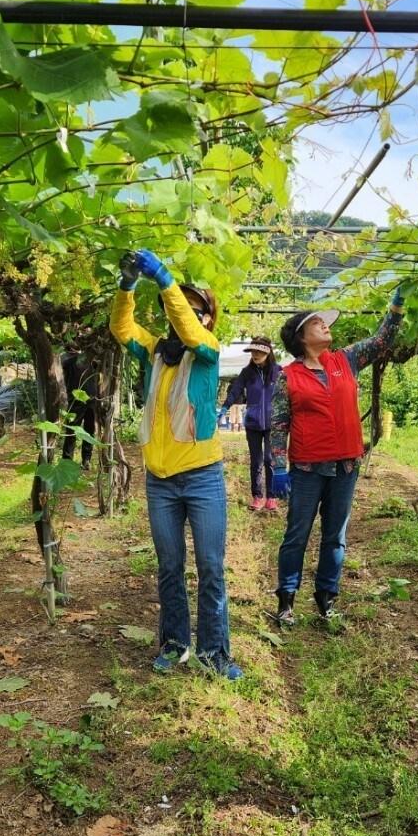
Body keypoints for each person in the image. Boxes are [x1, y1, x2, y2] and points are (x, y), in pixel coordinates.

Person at [112, 249, 242, 681]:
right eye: (178, 303)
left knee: (210, 567)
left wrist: (166, 280)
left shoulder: (207, 350)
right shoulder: (154, 352)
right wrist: (127, 286)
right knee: (169, 567)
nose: (182, 310)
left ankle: (214, 652)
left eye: (193, 306)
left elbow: (188, 328)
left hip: (202, 477)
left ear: (207, 318)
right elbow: (121, 328)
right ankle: (174, 644)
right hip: (160, 481)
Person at [268, 288, 405, 627]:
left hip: (345, 466)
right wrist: (279, 467)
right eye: (316, 323)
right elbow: (278, 424)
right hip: (307, 468)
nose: (325, 325)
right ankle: (286, 599)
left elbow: (381, 341)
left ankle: (326, 598)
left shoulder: (346, 360)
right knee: (297, 534)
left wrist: (396, 307)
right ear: (301, 337)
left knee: (335, 536)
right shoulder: (288, 376)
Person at [220, 335, 282, 511]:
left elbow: (289, 394)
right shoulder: (247, 372)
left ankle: (272, 496)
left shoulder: (278, 371)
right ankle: (257, 496)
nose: (255, 354)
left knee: (270, 459)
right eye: (253, 351)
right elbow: (235, 390)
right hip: (253, 423)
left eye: (259, 352)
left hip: (273, 422)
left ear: (268, 353)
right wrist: (224, 408)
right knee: (256, 461)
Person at [60, 352, 97, 469]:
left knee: (89, 431)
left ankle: (86, 460)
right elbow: (64, 363)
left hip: (91, 400)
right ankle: (67, 462)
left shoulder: (91, 358)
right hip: (76, 401)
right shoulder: (67, 358)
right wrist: (79, 354)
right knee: (71, 431)